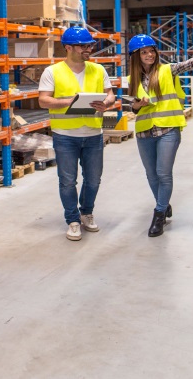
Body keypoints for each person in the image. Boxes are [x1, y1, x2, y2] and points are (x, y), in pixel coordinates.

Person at [127, 34, 193, 237]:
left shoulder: (166, 70)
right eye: (144, 52)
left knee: (163, 173)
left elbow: (189, 64)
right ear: (135, 56)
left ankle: (159, 214)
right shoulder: (132, 79)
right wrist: (138, 104)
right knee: (151, 174)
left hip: (168, 129)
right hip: (144, 131)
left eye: (151, 50)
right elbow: (133, 108)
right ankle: (163, 203)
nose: (149, 55)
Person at [38, 26, 115, 241]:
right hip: (65, 135)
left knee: (93, 180)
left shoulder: (98, 70)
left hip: (93, 133)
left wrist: (107, 104)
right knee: (67, 181)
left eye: (89, 45)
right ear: (68, 47)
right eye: (83, 46)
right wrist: (68, 102)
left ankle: (86, 213)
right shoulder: (52, 71)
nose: (88, 49)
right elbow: (43, 100)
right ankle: (72, 220)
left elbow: (111, 95)